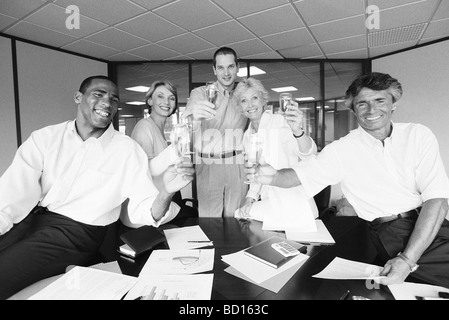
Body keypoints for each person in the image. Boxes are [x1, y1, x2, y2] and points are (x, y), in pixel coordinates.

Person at [245, 72, 449, 288]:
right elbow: (299, 176)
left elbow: (437, 200)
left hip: (434, 224)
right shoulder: (341, 150)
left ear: (393, 105)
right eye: (362, 104)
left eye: (380, 100)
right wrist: (274, 176)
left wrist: (407, 261)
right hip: (393, 234)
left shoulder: (418, 135)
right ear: (354, 110)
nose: (372, 110)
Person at [0, 75, 194, 299]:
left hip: (77, 232)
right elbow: (11, 196)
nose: (107, 103)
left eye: (114, 99)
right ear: (78, 97)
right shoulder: (45, 138)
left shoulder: (126, 150)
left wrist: (167, 192)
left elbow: (142, 207)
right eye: (99, 94)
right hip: (33, 218)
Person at [233, 77, 318, 228]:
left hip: (292, 199)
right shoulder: (247, 136)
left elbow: (307, 154)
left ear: (263, 100)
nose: (250, 104)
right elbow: (255, 174)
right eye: (244, 100)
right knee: (241, 214)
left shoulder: (279, 121)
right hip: (270, 201)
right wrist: (250, 199)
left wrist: (297, 131)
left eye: (254, 98)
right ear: (240, 106)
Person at [182, 47, 248, 217]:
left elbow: (258, 121)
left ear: (237, 67)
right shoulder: (201, 93)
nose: (226, 73)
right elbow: (186, 123)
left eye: (230, 66)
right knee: (209, 222)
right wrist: (194, 117)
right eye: (220, 67)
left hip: (236, 163)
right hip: (208, 163)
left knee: (237, 219)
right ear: (214, 69)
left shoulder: (244, 93)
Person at [126, 80, 195, 227]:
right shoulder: (144, 127)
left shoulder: (158, 129)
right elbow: (145, 172)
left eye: (171, 98)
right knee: (193, 216)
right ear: (150, 101)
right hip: (149, 206)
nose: (167, 102)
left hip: (162, 196)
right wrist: (175, 149)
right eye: (160, 96)